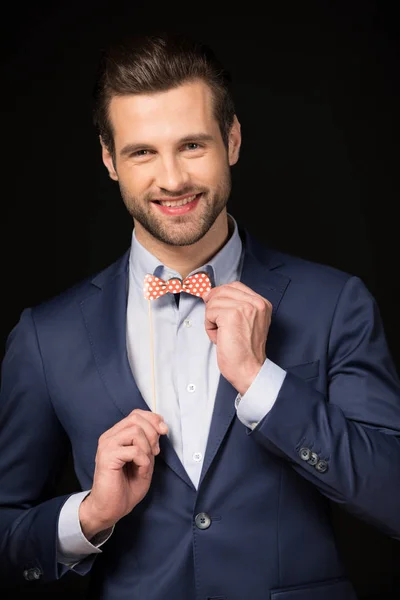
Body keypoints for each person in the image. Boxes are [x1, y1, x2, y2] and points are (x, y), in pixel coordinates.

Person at [0, 31, 399, 600]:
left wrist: (265, 386)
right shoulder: (46, 336)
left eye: (192, 145)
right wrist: (88, 517)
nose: (172, 179)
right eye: (142, 152)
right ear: (110, 160)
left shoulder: (335, 304)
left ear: (232, 140)